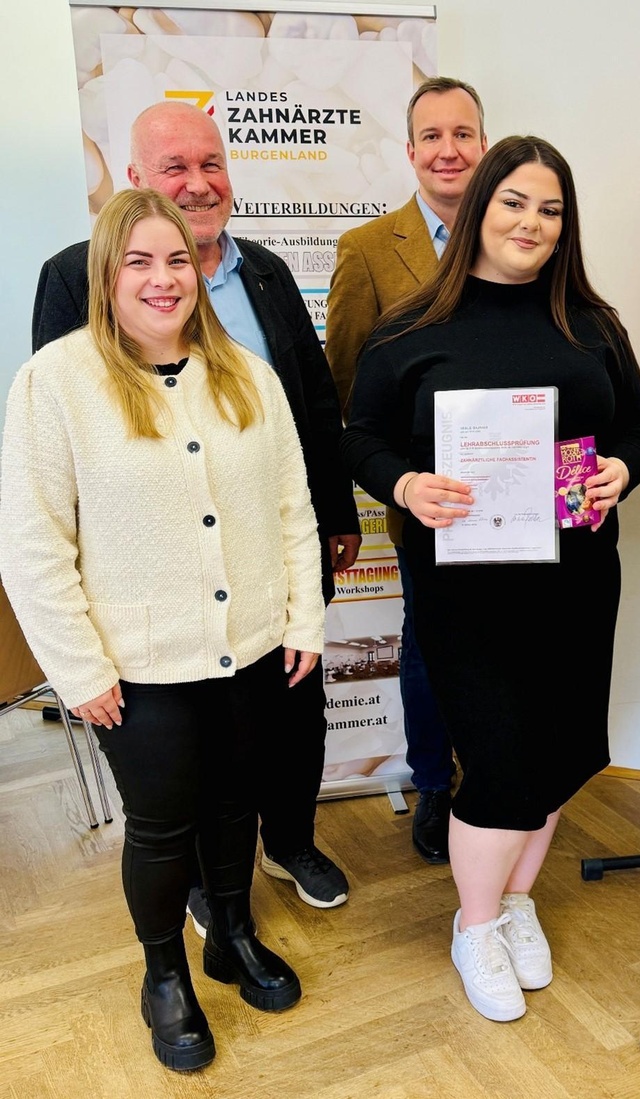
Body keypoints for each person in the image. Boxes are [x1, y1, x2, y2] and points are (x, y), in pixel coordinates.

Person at [0, 189, 326, 1071]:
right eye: (138, 261)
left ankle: (232, 937)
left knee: (236, 804)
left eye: (177, 260)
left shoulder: (246, 375)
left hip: (254, 646)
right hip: (138, 667)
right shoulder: (56, 382)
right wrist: (78, 668)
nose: (161, 278)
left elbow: (292, 506)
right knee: (161, 826)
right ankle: (165, 974)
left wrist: (301, 614)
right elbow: (31, 545)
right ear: (105, 276)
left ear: (199, 271)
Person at [341, 136, 640, 1021]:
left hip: (577, 581)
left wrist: (623, 471)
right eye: (515, 201)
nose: (532, 222)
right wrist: (404, 483)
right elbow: (357, 435)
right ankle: (474, 925)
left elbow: (635, 430)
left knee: (556, 753)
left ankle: (515, 903)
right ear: (479, 205)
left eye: (551, 209)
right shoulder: (410, 328)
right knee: (496, 758)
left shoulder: (591, 323)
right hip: (468, 590)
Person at [31, 100, 361, 920]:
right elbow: (62, 460)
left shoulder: (268, 273)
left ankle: (286, 843)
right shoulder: (74, 280)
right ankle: (201, 894)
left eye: (210, 163)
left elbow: (310, 405)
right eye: (173, 168)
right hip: (158, 588)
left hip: (269, 556)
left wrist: (336, 514)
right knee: (184, 779)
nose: (196, 182)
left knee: (292, 718)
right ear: (134, 182)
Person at [326, 77, 488, 865]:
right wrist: (395, 474)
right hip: (424, 502)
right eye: (432, 136)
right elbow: (349, 387)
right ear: (410, 151)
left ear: (483, 145)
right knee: (425, 647)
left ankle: (499, 778)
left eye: (462, 134)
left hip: (519, 495)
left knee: (509, 647)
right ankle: (434, 782)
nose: (448, 149)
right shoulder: (367, 249)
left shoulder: (520, 233)